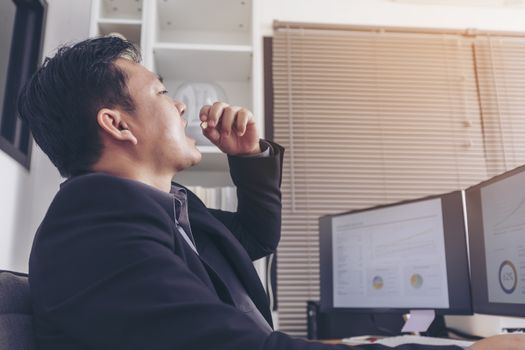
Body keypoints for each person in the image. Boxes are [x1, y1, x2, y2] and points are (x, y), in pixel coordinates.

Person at [18, 37, 524, 350]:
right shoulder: (93, 234)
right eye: (162, 94)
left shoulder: (162, 203)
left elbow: (252, 241)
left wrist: (247, 158)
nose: (178, 109)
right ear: (116, 123)